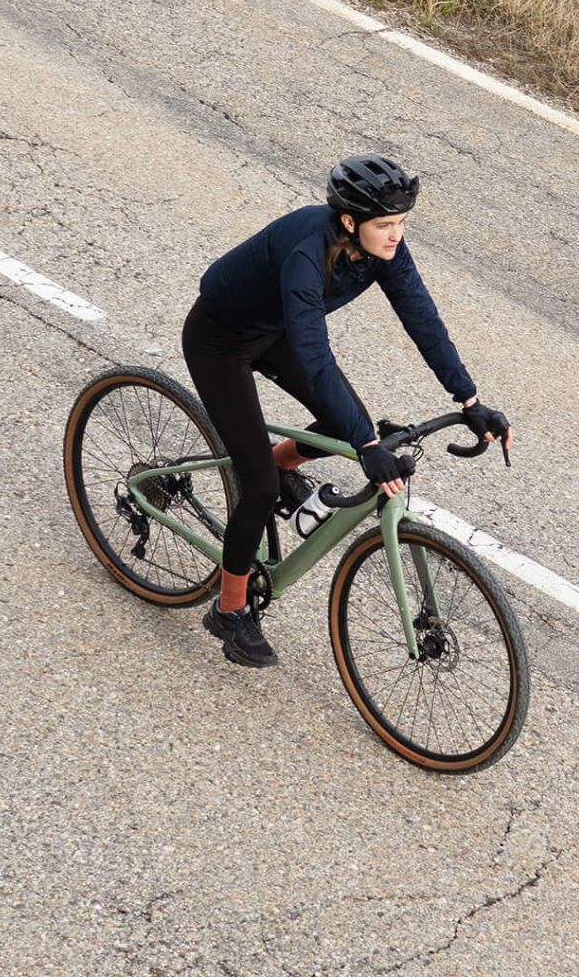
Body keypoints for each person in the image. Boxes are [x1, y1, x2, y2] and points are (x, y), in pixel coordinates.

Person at [181, 154, 508, 667]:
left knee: (341, 420)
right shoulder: (308, 252)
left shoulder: (382, 250)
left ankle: (280, 462)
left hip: (273, 333)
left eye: (401, 223)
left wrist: (469, 399)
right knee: (261, 487)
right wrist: (368, 445)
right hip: (219, 342)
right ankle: (230, 609)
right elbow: (314, 356)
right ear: (350, 222)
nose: (396, 235)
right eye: (385, 225)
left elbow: (422, 318)